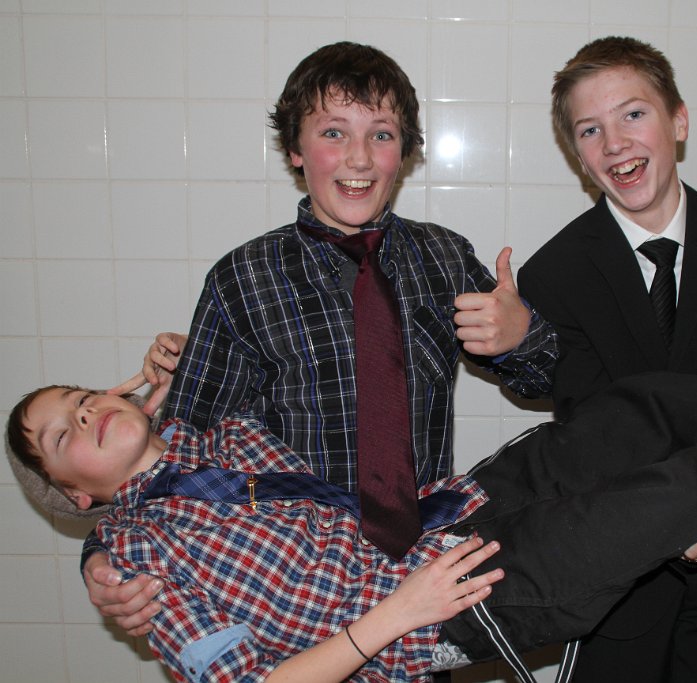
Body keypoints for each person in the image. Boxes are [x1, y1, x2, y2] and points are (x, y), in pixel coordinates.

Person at [8, 344, 697, 682]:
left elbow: (169, 402)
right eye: (61, 433)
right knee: (677, 494)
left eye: (82, 396)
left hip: (458, 506)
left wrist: (136, 392)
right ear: (75, 493)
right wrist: (396, 615)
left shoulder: (216, 437)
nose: (84, 414)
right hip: (444, 603)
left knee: (644, 411)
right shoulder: (137, 563)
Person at [82, 41, 559, 635]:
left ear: (405, 152)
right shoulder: (243, 279)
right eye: (334, 132)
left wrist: (520, 335)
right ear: (295, 149)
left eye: (381, 135)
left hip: (423, 579)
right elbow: (177, 454)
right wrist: (101, 552)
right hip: (288, 590)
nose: (359, 157)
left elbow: (546, 380)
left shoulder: (443, 257)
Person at [516, 35, 697, 681]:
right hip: (622, 591)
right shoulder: (554, 274)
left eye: (633, 114)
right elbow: (594, 434)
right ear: (578, 155)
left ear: (679, 120)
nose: (615, 142)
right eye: (590, 129)